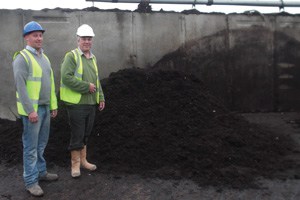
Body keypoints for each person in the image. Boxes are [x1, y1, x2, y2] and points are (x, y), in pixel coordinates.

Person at [12, 21, 58, 197]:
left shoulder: (44, 58)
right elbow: (21, 87)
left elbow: (51, 83)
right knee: (30, 147)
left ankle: (41, 172)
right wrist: (30, 110)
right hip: (33, 111)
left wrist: (53, 105)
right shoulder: (22, 58)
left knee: (41, 144)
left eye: (40, 35)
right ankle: (31, 181)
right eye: (35, 35)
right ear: (26, 38)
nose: (39, 38)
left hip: (46, 108)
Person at [60, 24, 105, 178]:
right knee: (77, 133)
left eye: (89, 39)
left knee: (86, 133)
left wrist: (101, 96)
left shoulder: (93, 58)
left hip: (91, 103)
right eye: (84, 39)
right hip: (76, 104)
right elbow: (66, 78)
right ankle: (75, 165)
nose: (87, 41)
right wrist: (86, 87)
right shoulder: (71, 56)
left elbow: (96, 80)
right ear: (78, 39)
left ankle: (83, 160)